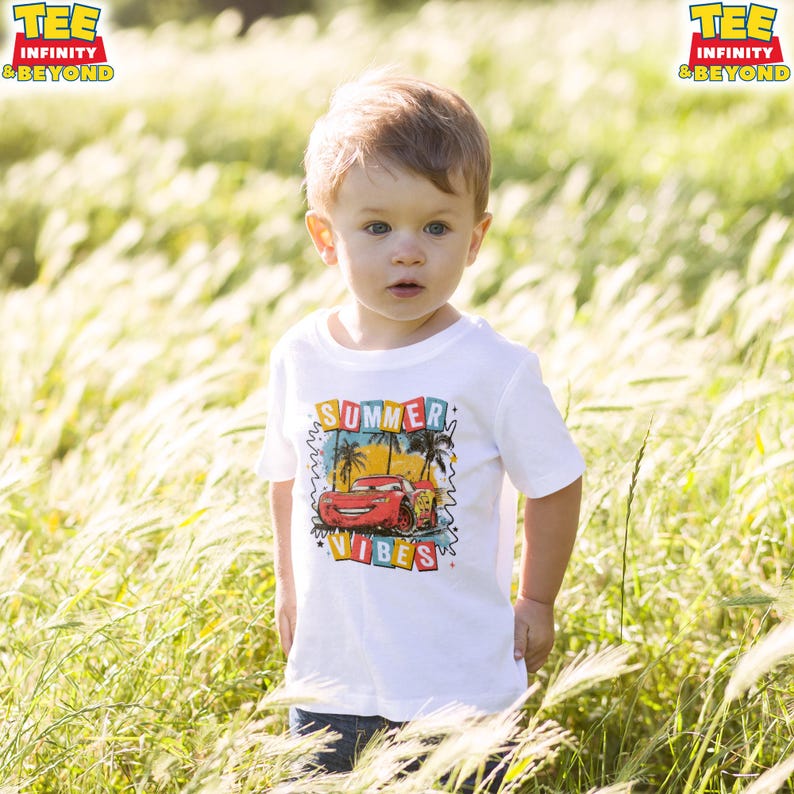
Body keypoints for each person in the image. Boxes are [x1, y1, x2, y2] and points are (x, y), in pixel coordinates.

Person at [256, 70, 584, 785]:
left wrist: (536, 598)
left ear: (474, 239)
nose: (408, 250)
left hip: (458, 684)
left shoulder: (492, 369)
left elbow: (556, 482)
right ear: (325, 236)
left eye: (436, 226)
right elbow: (286, 477)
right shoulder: (301, 356)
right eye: (376, 227)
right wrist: (288, 588)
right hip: (331, 679)